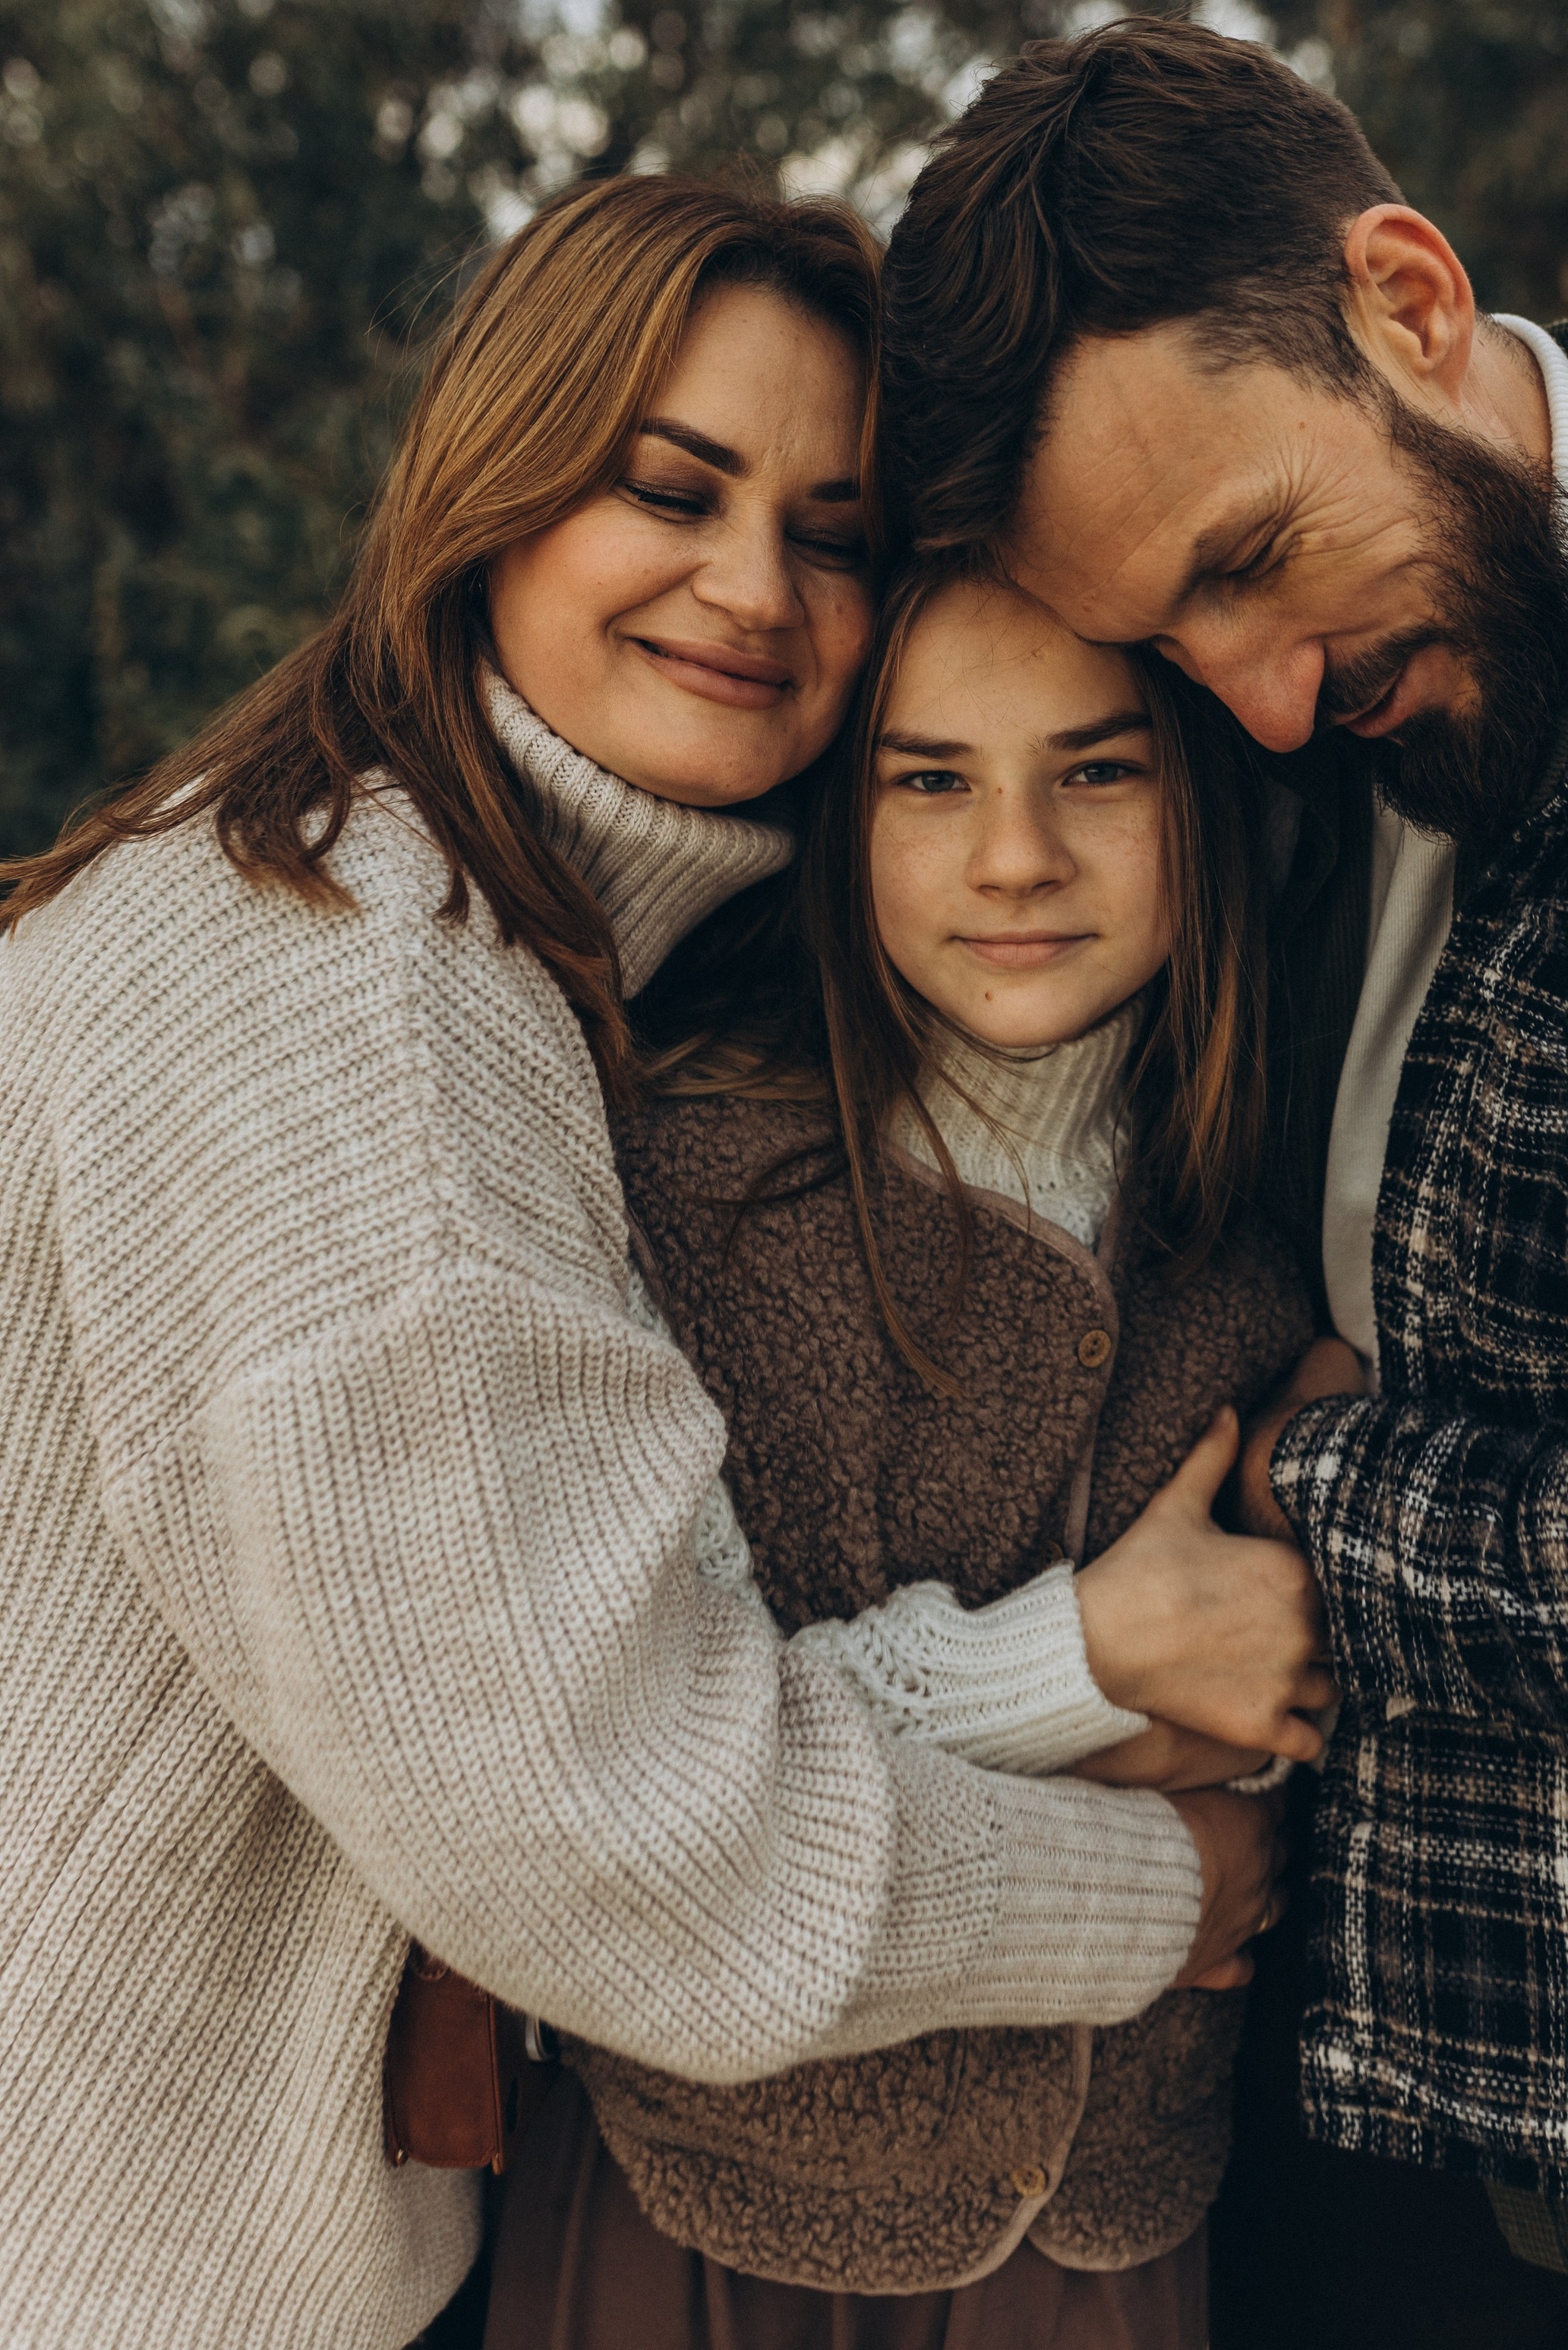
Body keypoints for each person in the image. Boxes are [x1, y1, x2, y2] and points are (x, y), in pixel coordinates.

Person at [0, 173, 1282, 2350]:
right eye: (669, 491)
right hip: (115, 2262)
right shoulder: (357, 1014)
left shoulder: (420, 919)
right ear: (490, 493)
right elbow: (630, 1841)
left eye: (832, 532)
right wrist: (1167, 1888)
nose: (754, 587)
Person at [877, 16, 1568, 2347]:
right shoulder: (1258, 731)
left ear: (1409, 299)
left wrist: (1312, 1497)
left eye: (1254, 566)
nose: (1260, 702)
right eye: (1170, 640)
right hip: (1308, 2113)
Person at [484, 566, 1326, 2350]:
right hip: (709, 2199)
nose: (1014, 858)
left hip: (1105, 2218)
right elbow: (648, 1758)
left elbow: (1271, 1708)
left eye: (1096, 771)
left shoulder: (1268, 1229)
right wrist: (1090, 1667)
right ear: (835, 815)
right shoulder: (676, 1191)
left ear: (1200, 794)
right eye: (929, 780)